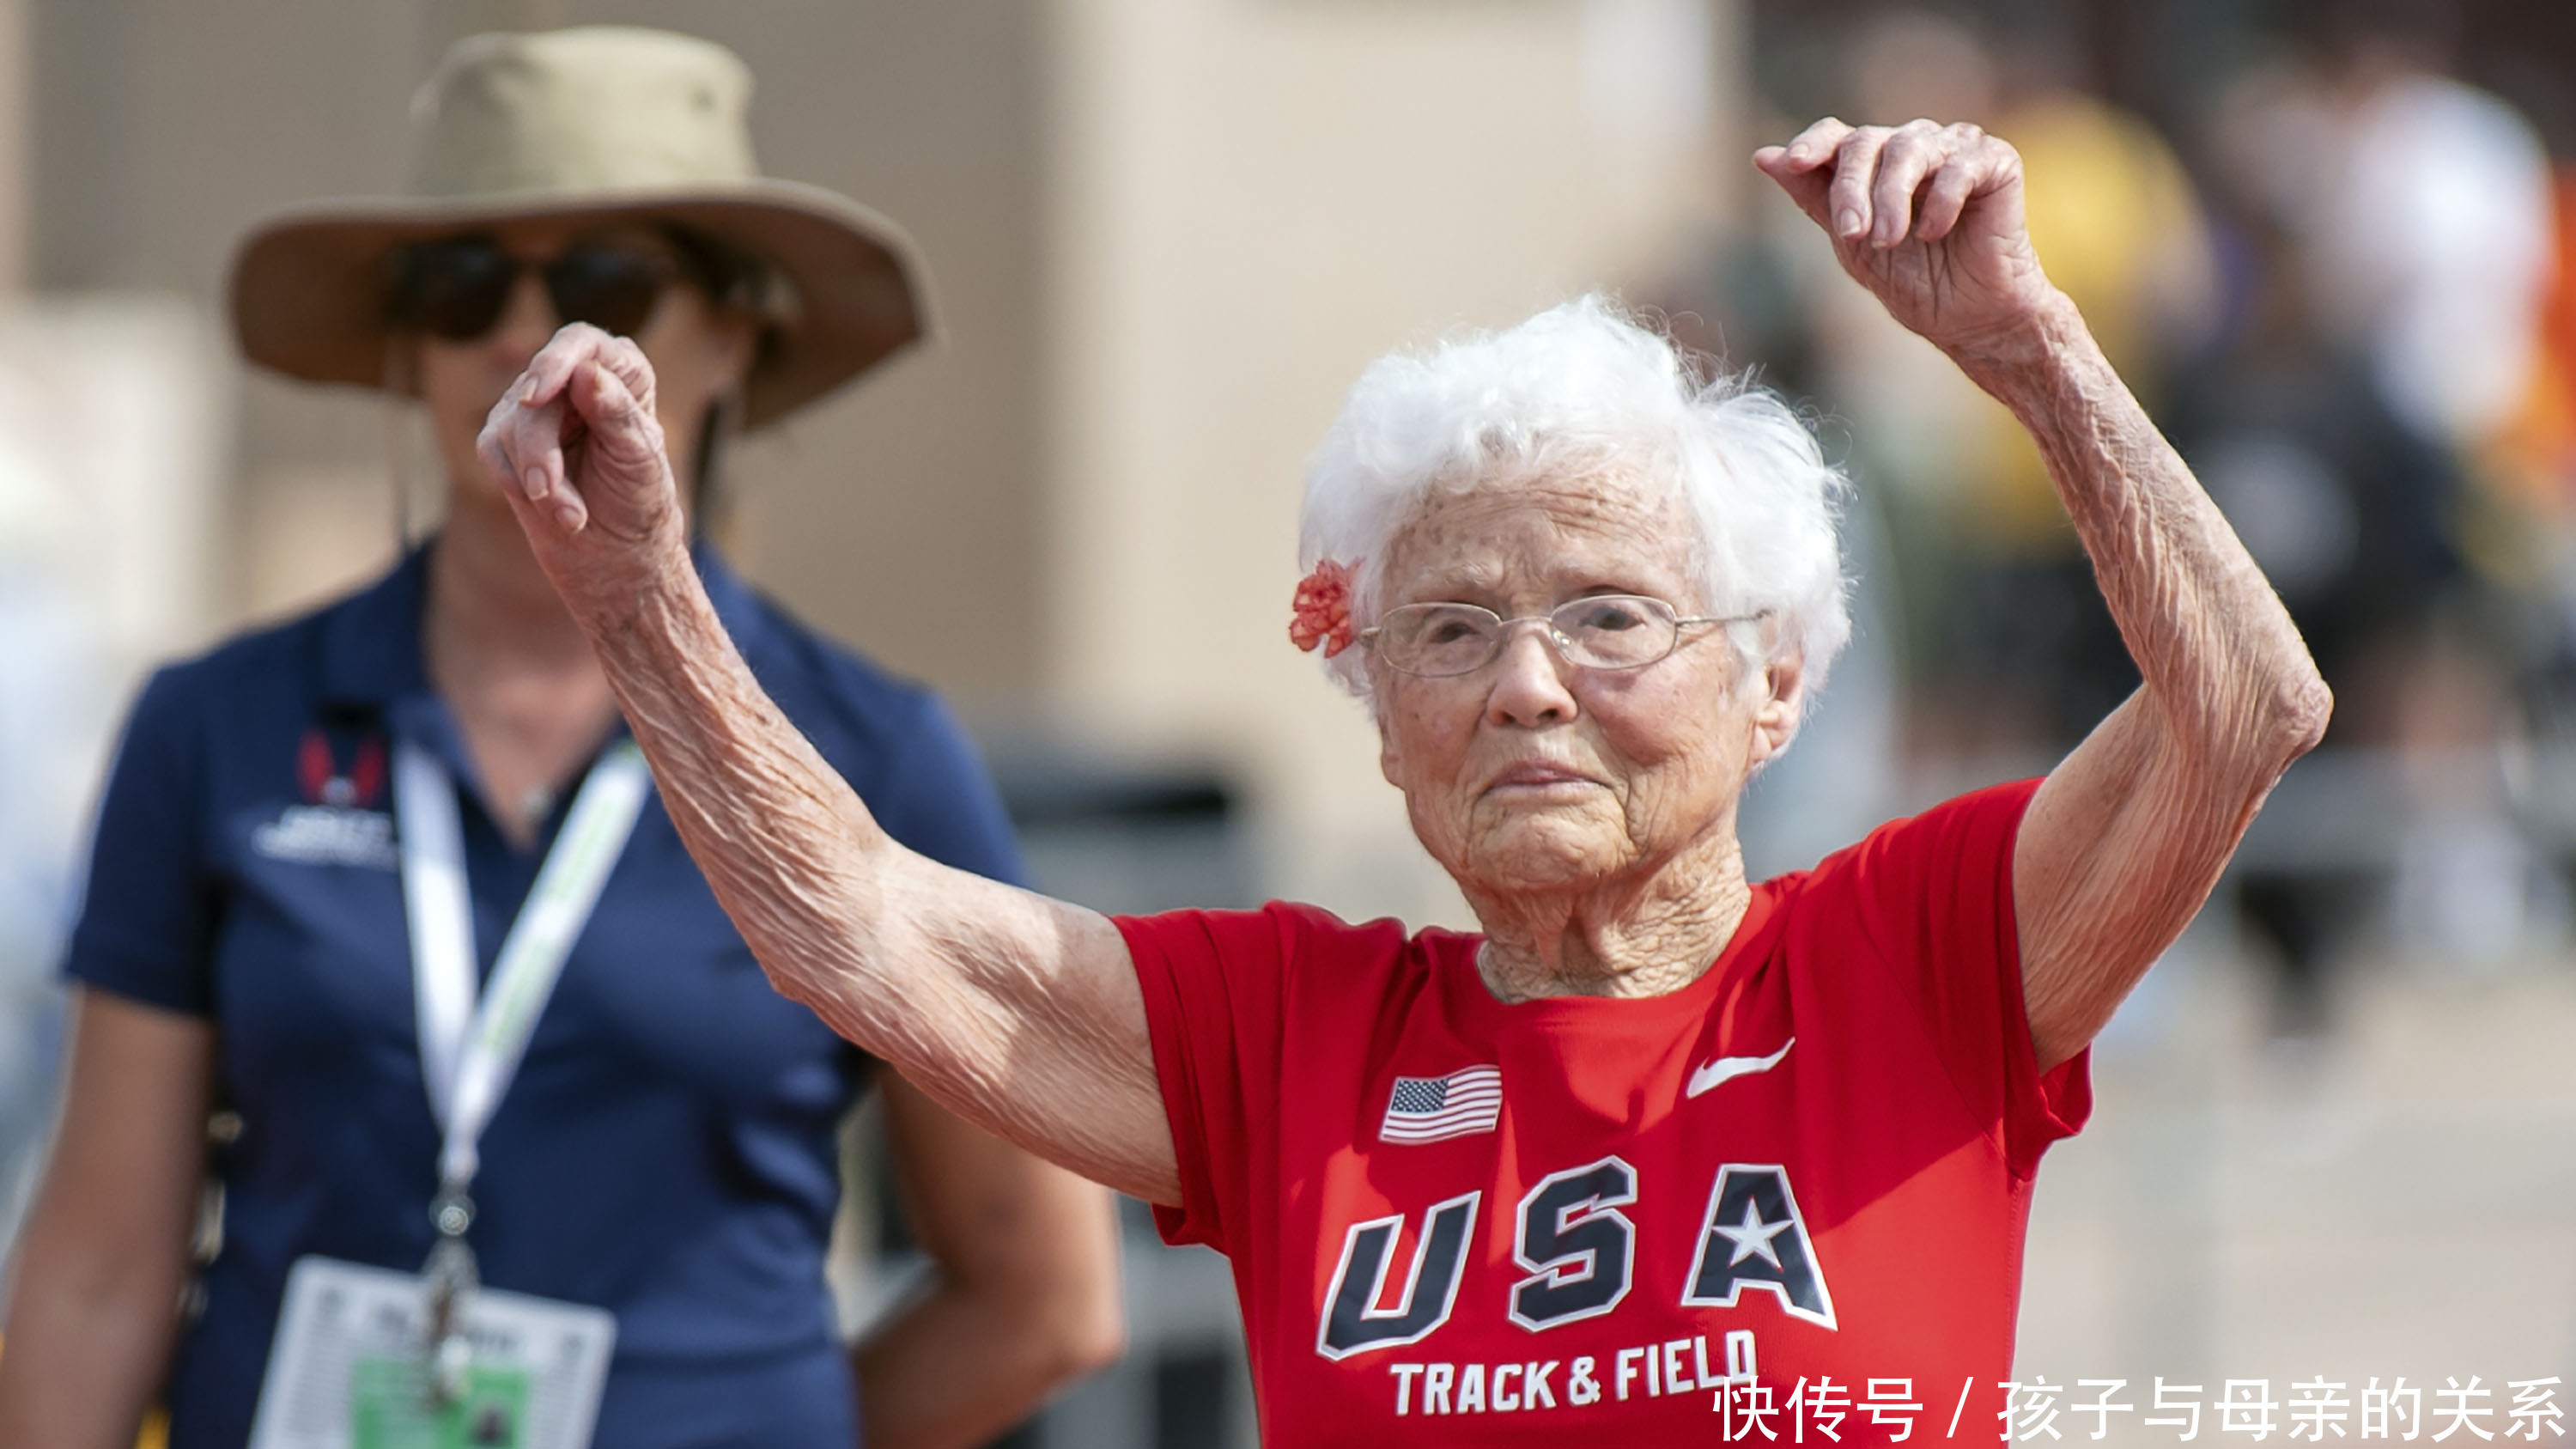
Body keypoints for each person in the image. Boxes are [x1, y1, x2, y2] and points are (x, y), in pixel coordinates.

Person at [476, 117, 2329, 1441]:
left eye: (1609, 617)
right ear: (1379, 720)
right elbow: (861, 929)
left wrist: (2027, 349)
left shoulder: (1908, 961)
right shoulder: (1294, 1038)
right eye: (1446, 633)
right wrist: (637, 595)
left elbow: (2242, 702)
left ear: (1773, 684)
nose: (1525, 686)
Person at [0, 27, 1119, 1449]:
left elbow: (1044, 1297)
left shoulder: (871, 755)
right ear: (406, 346)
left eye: (605, 283)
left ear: (734, 336)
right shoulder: (215, 726)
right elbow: (96, 1272)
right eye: (464, 284)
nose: (526, 332)